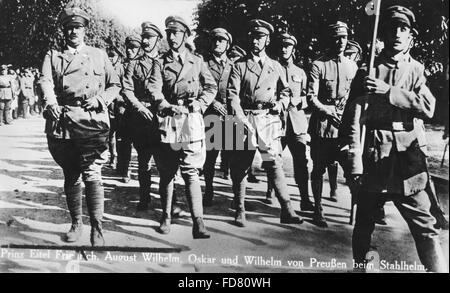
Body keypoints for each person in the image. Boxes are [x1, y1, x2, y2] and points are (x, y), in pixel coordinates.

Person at [340, 5, 447, 272]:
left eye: (404, 29)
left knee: (426, 227)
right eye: (392, 28)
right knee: (364, 223)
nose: (398, 34)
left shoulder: (417, 70)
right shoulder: (368, 70)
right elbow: (352, 120)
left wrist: (389, 91)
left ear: (411, 36)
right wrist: (353, 163)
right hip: (374, 158)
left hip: (407, 164)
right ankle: (362, 267)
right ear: (384, 34)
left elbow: (428, 107)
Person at [39, 6, 120, 246]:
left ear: (85, 30)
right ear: (64, 31)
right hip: (64, 120)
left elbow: (114, 85)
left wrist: (101, 99)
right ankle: (76, 223)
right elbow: (45, 81)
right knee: (71, 173)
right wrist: (51, 102)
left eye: (78, 27)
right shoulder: (53, 55)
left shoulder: (99, 54)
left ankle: (97, 227)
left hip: (92, 120)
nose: (74, 32)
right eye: (69, 28)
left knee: (93, 173)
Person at [227, 19, 303, 227]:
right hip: (246, 118)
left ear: (267, 40)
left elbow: (287, 91)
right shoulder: (239, 65)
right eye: (253, 36)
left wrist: (281, 103)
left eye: (260, 37)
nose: (255, 41)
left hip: (268, 120)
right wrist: (240, 117)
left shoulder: (275, 66)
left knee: (273, 163)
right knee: (241, 165)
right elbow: (232, 95)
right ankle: (240, 209)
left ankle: (287, 208)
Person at [147, 15, 217, 238]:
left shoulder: (197, 61)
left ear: (185, 35)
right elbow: (154, 89)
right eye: (169, 33)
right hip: (169, 120)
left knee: (191, 172)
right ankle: (166, 217)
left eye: (176, 33)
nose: (172, 37)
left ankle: (199, 222)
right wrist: (166, 106)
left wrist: (201, 103)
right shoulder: (160, 62)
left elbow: (211, 87)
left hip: (191, 120)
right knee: (167, 172)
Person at [307, 21, 358, 227]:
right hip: (323, 125)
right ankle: (318, 208)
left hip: (344, 126)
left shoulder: (352, 66)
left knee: (352, 168)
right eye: (337, 38)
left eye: (344, 37)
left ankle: (358, 209)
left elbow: (354, 97)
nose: (341, 42)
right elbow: (311, 96)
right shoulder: (318, 65)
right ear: (330, 40)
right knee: (318, 167)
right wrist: (327, 110)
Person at [265, 33, 315, 211]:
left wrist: (299, 100)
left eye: (288, 46)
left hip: (296, 122)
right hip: (277, 122)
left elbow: (309, 97)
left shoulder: (300, 72)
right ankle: (270, 192)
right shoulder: (271, 68)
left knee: (301, 162)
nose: (284, 49)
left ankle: (305, 198)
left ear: (293, 49)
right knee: (273, 158)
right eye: (282, 46)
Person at [122, 22, 163, 211]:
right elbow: (127, 89)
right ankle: (144, 197)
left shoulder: (166, 62)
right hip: (141, 118)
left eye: (150, 38)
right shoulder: (134, 64)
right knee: (144, 160)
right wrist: (139, 107)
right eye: (144, 37)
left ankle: (168, 202)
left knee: (166, 162)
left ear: (158, 40)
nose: (145, 41)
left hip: (163, 117)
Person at [202, 28, 234, 206]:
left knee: (232, 156)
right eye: (215, 40)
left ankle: (236, 196)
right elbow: (199, 87)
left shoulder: (234, 65)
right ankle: (209, 189)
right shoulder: (204, 64)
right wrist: (213, 102)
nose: (217, 43)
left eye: (222, 40)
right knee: (210, 156)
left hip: (230, 115)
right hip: (211, 114)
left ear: (228, 44)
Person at [116, 35, 141, 183]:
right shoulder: (120, 67)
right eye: (128, 47)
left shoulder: (141, 66)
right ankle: (125, 169)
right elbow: (114, 87)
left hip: (139, 109)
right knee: (124, 142)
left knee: (142, 142)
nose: (130, 50)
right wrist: (121, 99)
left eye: (134, 48)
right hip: (124, 110)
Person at [106, 47, 124, 169]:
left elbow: (125, 86)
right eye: (109, 55)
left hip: (120, 104)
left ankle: (122, 163)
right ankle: (113, 156)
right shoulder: (105, 68)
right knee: (110, 132)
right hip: (108, 104)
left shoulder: (122, 69)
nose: (111, 58)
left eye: (113, 56)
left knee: (121, 134)